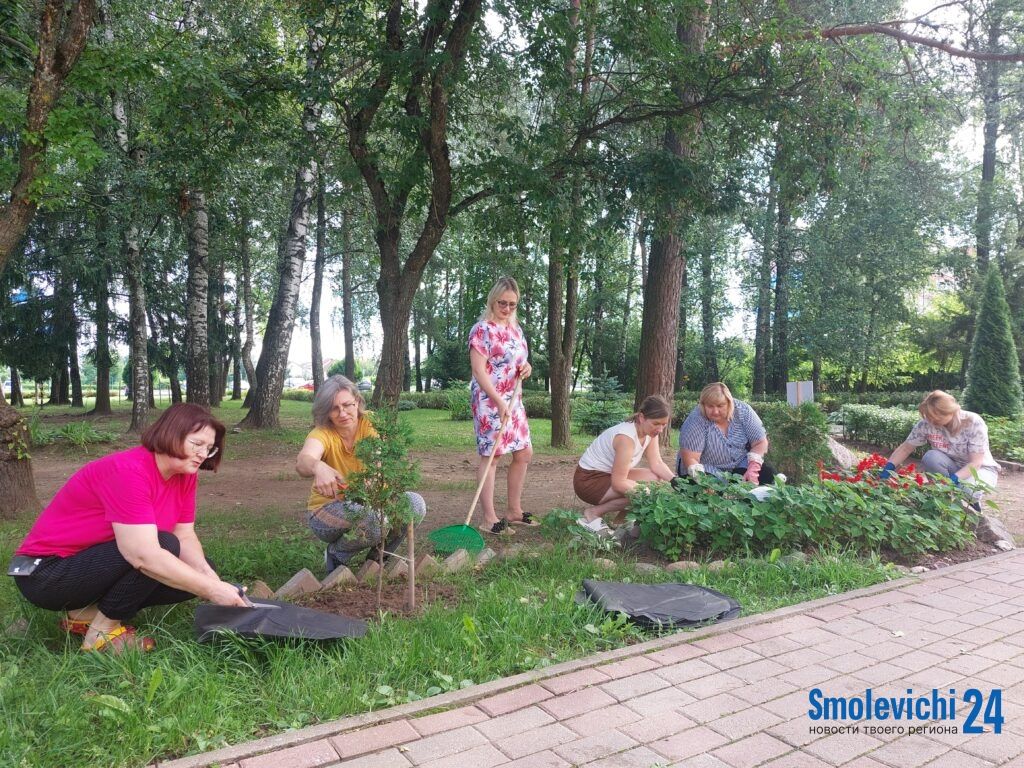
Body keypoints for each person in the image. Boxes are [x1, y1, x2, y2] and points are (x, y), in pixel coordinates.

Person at [9, 403, 247, 653]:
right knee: (162, 547)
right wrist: (212, 590)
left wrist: (210, 579)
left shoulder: (185, 475)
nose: (202, 454)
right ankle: (100, 635)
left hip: (89, 564)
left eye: (209, 448)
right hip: (45, 574)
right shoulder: (128, 471)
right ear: (171, 434)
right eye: (196, 444)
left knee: (200, 567)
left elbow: (184, 534)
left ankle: (84, 615)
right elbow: (142, 555)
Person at [296, 375, 427, 572]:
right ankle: (337, 554)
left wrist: (375, 476)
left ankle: (377, 560)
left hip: (370, 503)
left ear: (357, 401)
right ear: (326, 412)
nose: (342, 413)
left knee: (415, 505)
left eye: (347, 405)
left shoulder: (370, 422)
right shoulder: (322, 433)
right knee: (374, 521)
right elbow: (303, 460)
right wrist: (318, 466)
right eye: (334, 408)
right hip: (327, 510)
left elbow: (377, 456)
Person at [468, 277, 534, 535]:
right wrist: (498, 401)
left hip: (514, 399)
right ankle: (489, 518)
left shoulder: (516, 330)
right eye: (502, 303)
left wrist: (526, 368)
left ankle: (514, 511)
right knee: (492, 456)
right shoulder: (482, 329)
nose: (507, 308)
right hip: (489, 401)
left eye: (512, 304)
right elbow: (478, 370)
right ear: (492, 301)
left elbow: (519, 362)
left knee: (524, 452)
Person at [573, 395, 676, 535]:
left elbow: (657, 463)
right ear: (641, 417)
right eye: (656, 423)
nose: (660, 429)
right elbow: (618, 483)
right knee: (646, 492)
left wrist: (676, 482)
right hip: (589, 481)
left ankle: (621, 522)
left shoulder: (650, 433)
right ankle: (593, 513)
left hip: (608, 475)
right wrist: (646, 494)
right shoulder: (626, 438)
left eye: (663, 425)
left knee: (656, 479)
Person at [880, 390, 999, 499]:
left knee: (968, 490)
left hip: (980, 469)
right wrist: (888, 468)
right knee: (931, 457)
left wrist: (953, 480)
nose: (931, 422)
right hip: (951, 465)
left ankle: (971, 506)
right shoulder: (926, 424)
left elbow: (975, 463)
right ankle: (944, 499)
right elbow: (905, 448)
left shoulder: (973, 422)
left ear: (950, 411)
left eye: (936, 418)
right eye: (929, 417)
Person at [677, 382, 775, 484]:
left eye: (720, 406)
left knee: (768, 475)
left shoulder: (744, 411)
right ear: (703, 405)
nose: (715, 411)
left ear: (729, 403)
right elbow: (691, 458)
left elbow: (760, 442)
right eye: (710, 406)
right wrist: (704, 482)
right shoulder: (695, 420)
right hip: (706, 469)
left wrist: (753, 469)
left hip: (740, 464)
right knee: (712, 489)